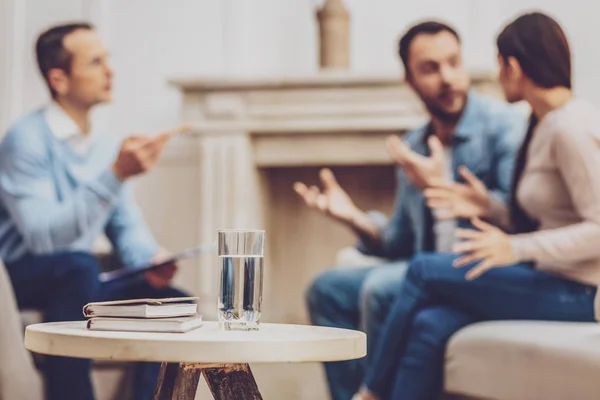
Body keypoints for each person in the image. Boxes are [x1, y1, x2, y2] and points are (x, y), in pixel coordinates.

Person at [354, 12, 600, 400]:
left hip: (582, 291)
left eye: (498, 63)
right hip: (551, 279)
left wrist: (515, 247)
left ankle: (370, 392)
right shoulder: (541, 124)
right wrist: (485, 205)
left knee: (422, 271)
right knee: (430, 324)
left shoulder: (570, 126)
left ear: (513, 66)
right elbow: (545, 217)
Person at [294, 20, 526, 400]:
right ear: (409, 79)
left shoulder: (503, 128)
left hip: (477, 269)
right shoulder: (413, 144)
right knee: (326, 289)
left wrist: (444, 187)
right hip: (421, 265)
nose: (447, 77)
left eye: (453, 62)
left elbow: (520, 221)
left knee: (380, 288)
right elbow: (397, 243)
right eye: (431, 68)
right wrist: (352, 217)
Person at [0, 23, 187, 400]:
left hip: (76, 274)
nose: (110, 71)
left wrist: (149, 259)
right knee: (79, 265)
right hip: (23, 272)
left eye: (108, 60)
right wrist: (116, 173)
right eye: (95, 62)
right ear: (59, 79)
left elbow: (124, 222)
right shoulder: (26, 140)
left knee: (172, 300)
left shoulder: (103, 145)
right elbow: (43, 237)